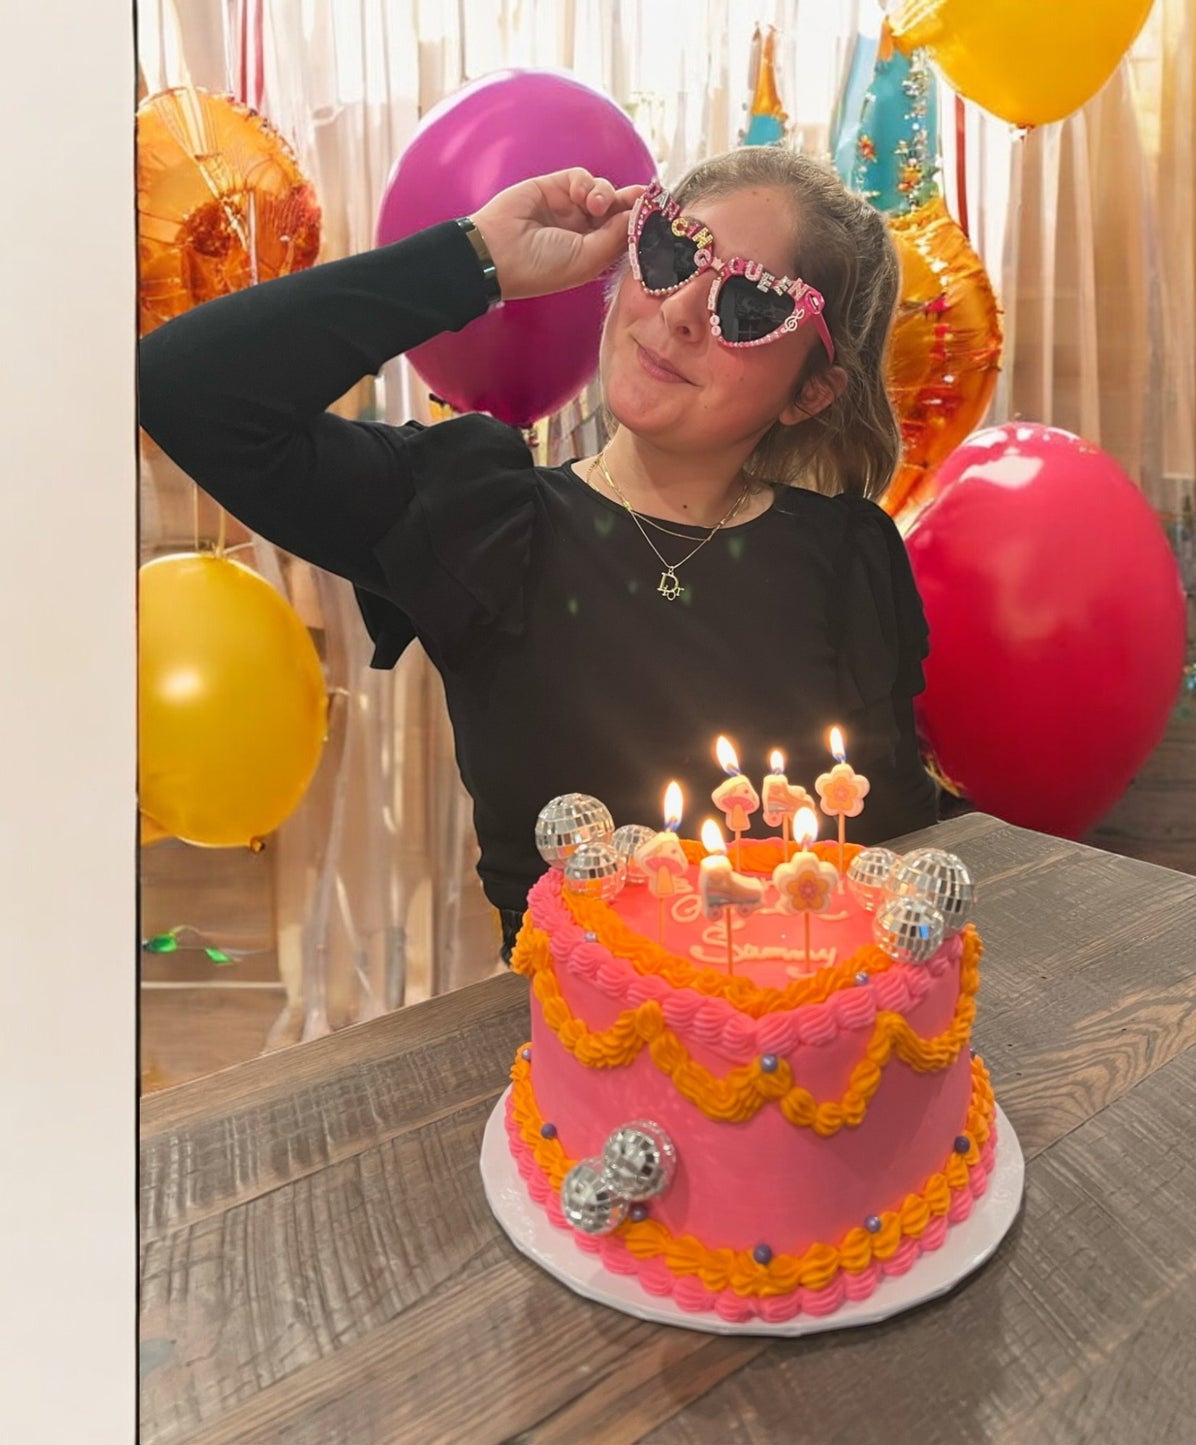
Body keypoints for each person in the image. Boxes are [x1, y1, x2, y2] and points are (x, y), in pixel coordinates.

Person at [139, 146, 938, 962]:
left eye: (750, 307)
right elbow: (185, 389)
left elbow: (892, 835)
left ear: (810, 392)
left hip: (809, 1044)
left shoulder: (847, 554)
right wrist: (475, 257)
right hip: (574, 1057)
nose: (680, 314)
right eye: (669, 253)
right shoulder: (476, 520)